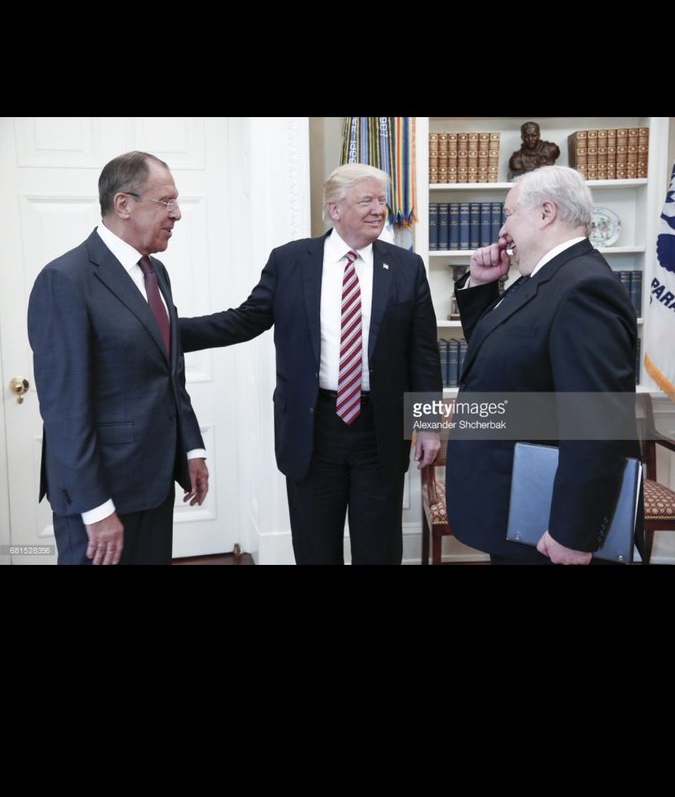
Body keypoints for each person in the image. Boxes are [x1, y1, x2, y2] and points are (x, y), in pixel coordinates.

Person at [179, 163, 442, 565]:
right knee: (315, 548)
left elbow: (423, 352)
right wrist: (167, 332)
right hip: (313, 428)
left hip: (380, 430)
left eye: (382, 200)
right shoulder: (290, 261)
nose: (379, 210)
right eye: (367, 200)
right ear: (335, 209)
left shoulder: (407, 267)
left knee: (379, 550)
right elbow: (245, 320)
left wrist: (428, 424)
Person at [445, 166, 642, 565]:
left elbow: (595, 423)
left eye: (508, 215)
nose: (503, 231)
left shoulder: (584, 288)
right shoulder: (546, 276)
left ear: (546, 213)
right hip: (517, 510)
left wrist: (573, 533)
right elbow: (501, 352)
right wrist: (482, 286)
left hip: (550, 528)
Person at [27, 152, 209, 565]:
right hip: (101, 498)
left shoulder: (155, 273)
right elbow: (64, 411)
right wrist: (95, 508)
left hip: (154, 485)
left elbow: (168, 371)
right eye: (166, 201)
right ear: (123, 204)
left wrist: (190, 449)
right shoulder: (65, 280)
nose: (177, 213)